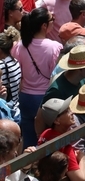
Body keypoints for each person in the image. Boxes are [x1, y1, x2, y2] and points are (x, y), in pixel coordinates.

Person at [12, 8, 62, 147]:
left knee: (29, 141)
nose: (53, 22)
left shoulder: (20, 46)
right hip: (47, 100)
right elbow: (57, 74)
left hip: (25, 98)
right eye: (52, 20)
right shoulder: (55, 47)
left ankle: (28, 167)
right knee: (48, 140)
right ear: (44, 26)